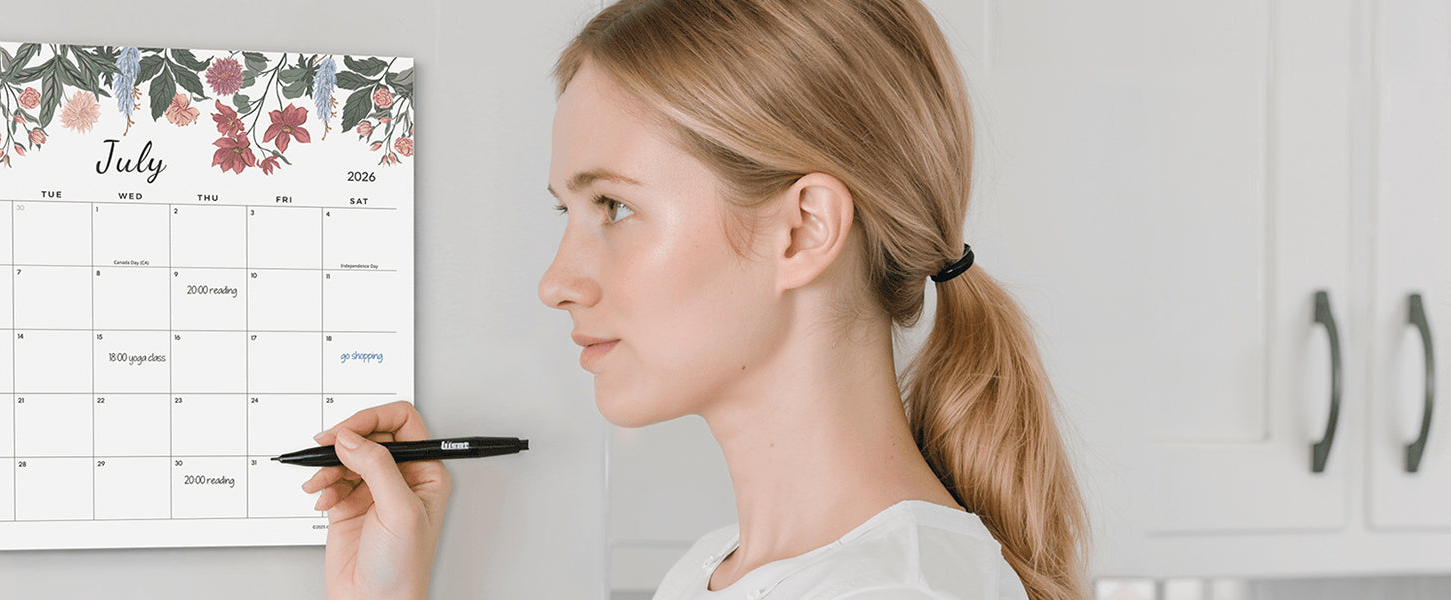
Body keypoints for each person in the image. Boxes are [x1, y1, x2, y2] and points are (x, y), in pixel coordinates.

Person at [300, 0, 1091, 598]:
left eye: (614, 206)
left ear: (804, 230)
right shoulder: (716, 571)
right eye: (564, 211)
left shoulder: (892, 589)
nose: (555, 282)